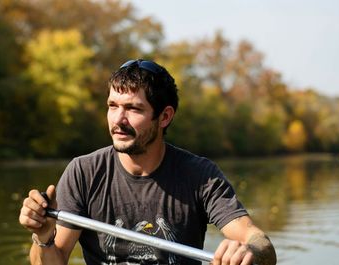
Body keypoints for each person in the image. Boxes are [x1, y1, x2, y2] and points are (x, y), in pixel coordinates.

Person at [19, 59, 277, 265]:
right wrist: (43, 238)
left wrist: (248, 253)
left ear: (164, 117)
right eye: (112, 105)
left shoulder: (200, 175)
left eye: (133, 109)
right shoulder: (84, 172)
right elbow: (54, 260)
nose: (118, 120)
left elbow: (260, 243)